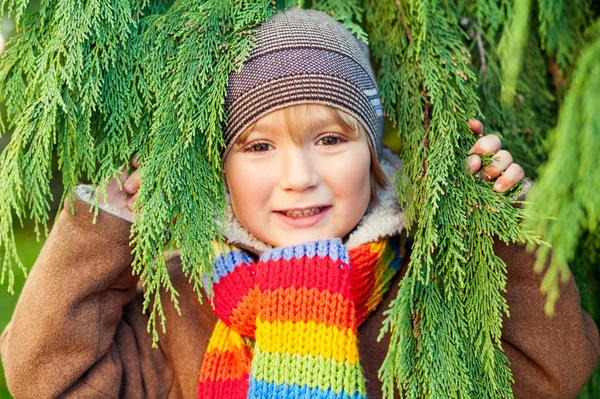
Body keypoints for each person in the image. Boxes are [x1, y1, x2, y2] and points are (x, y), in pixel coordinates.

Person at [1, 8, 598, 399]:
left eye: (331, 140)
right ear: (221, 166)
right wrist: (102, 228)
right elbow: (46, 379)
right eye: (258, 145)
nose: (298, 176)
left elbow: (554, 372)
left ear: (371, 151)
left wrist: (506, 232)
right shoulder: (180, 304)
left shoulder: (424, 289)